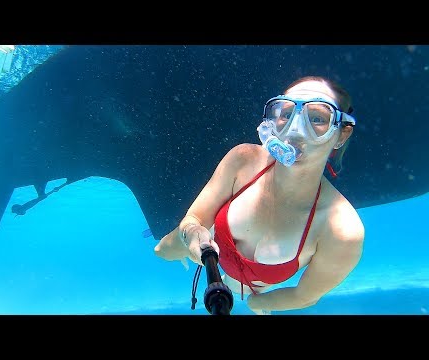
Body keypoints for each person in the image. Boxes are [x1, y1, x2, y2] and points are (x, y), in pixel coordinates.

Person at [154, 75, 365, 315]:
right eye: (286, 114)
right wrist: (190, 233)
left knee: (238, 288)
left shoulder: (342, 231)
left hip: (251, 286)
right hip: (206, 243)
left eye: (317, 118)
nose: (295, 131)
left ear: (341, 134)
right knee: (161, 251)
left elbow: (305, 295)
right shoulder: (244, 160)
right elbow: (194, 219)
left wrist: (259, 305)